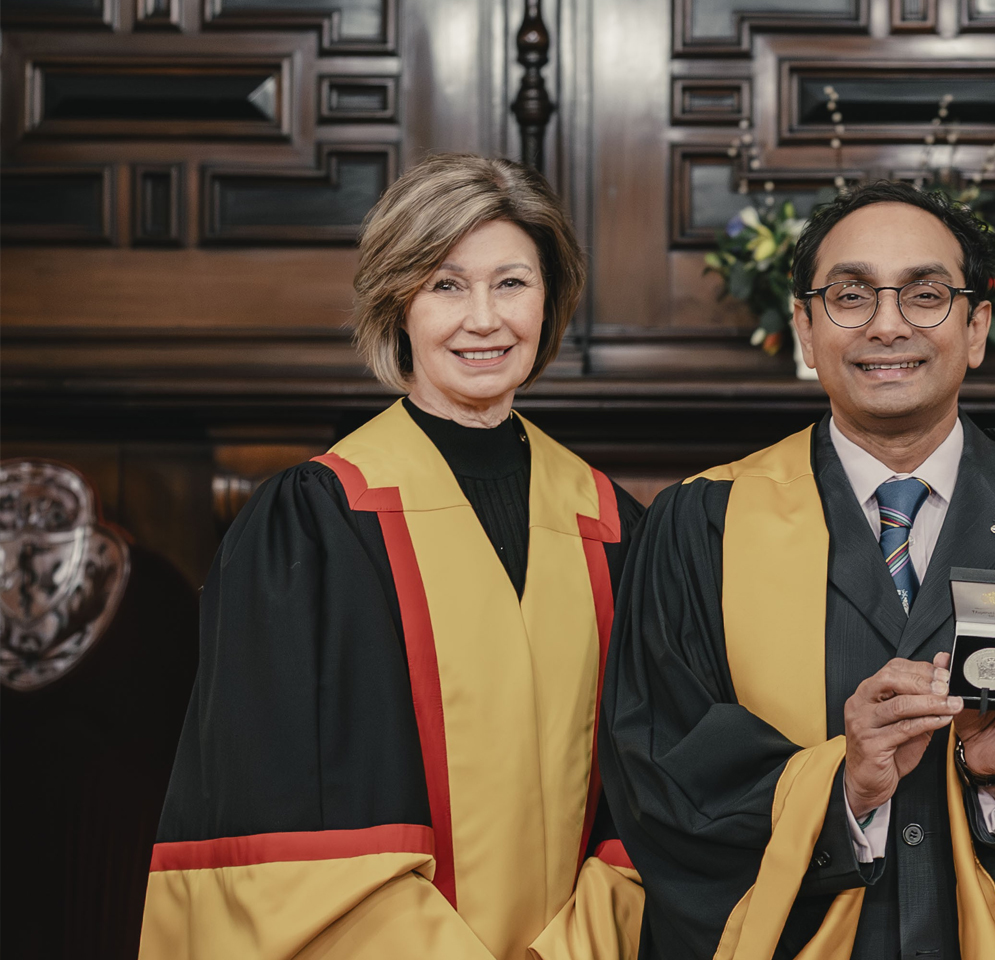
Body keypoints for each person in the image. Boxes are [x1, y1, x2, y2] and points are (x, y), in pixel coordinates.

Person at [599, 180, 995, 960]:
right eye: (850, 295)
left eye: (926, 294)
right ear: (805, 328)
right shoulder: (700, 525)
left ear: (977, 325)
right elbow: (658, 790)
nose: (888, 325)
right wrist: (845, 787)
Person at [140, 155, 647, 960]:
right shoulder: (314, 527)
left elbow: (653, 794)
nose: (484, 319)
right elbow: (288, 819)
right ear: (396, 303)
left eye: (512, 283)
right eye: (446, 285)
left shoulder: (617, 527)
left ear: (549, 301)